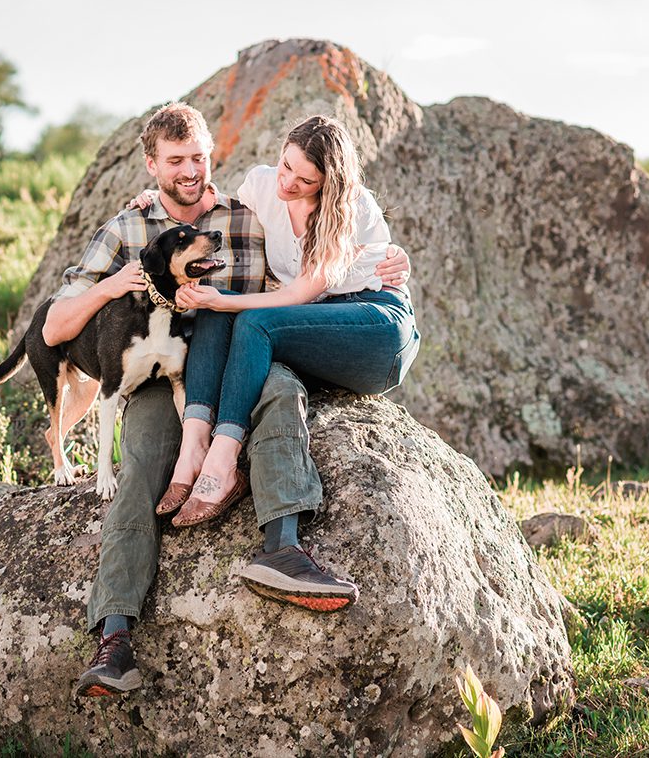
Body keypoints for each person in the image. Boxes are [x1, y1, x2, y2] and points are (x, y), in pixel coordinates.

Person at [45, 103, 411, 699]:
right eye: (174, 161)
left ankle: (285, 549)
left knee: (283, 391)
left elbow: (314, 267)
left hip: (240, 354)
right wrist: (122, 279)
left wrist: (393, 258)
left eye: (197, 158)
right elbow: (56, 327)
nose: (188, 172)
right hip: (160, 379)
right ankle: (114, 638)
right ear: (151, 165)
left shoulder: (244, 210)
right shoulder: (129, 228)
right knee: (139, 467)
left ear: (212, 157)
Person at [154, 115, 421, 550]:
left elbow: (299, 293)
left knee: (245, 314)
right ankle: (194, 446)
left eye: (305, 180)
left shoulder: (349, 208)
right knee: (214, 310)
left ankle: (222, 465)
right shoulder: (260, 184)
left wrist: (224, 301)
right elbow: (209, 206)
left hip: (376, 326)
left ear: (327, 183)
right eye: (286, 166)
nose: (288, 182)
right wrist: (157, 197)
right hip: (317, 325)